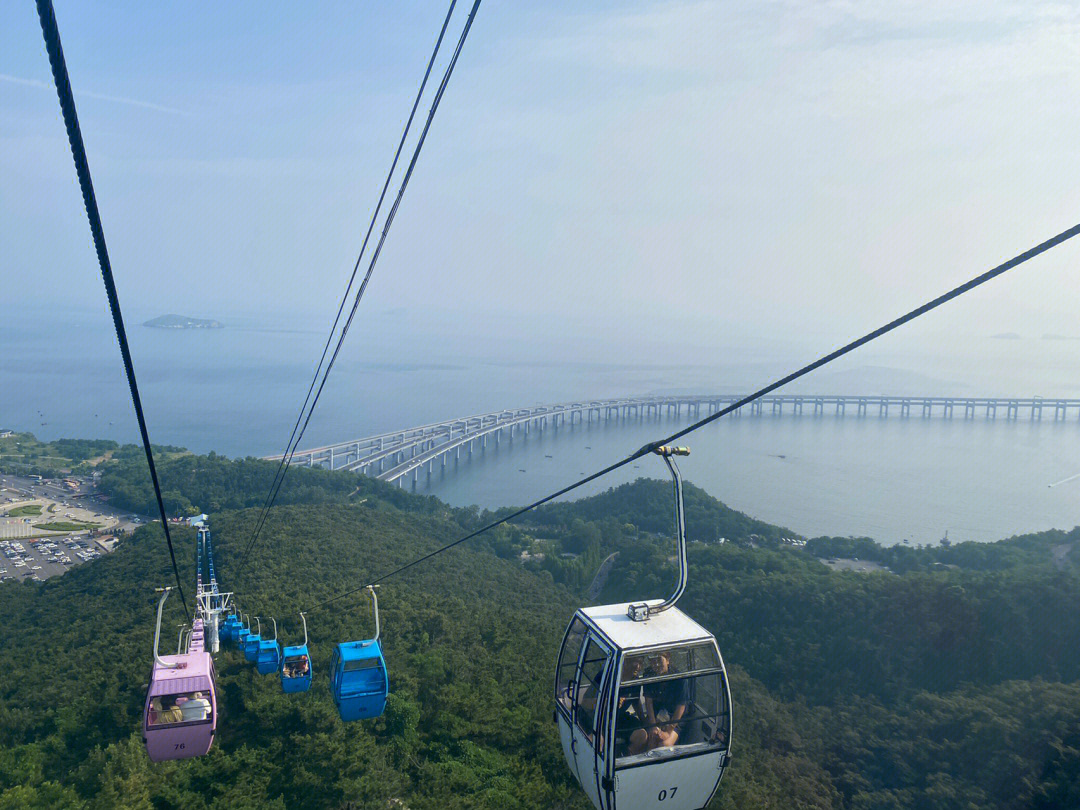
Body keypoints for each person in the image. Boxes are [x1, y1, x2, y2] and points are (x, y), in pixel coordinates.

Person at [643, 652, 689, 750]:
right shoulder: (648, 675)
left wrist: (668, 731)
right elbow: (648, 702)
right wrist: (653, 725)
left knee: (664, 745)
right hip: (656, 715)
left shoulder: (679, 678)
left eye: (659, 660)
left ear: (667, 659)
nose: (656, 665)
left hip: (675, 718)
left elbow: (681, 706)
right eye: (653, 661)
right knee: (651, 742)